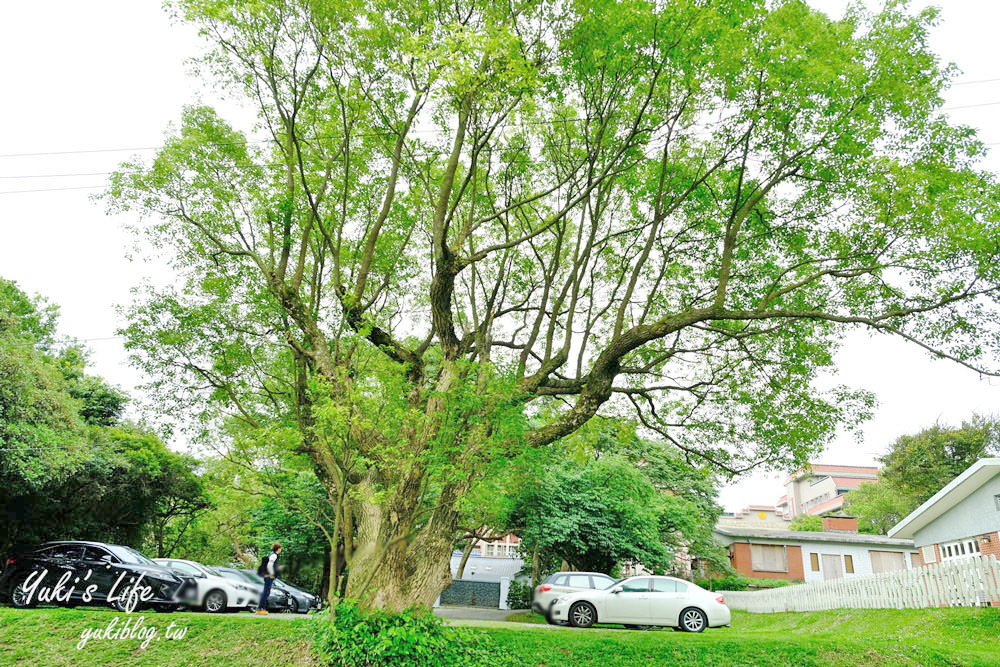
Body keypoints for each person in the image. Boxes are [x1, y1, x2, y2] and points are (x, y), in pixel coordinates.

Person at [255, 542, 282, 615]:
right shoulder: (274, 555)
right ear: (278, 549)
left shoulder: (271, 554)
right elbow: (269, 565)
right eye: (280, 548)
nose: (281, 550)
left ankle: (261, 608)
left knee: (266, 592)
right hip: (269, 576)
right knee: (266, 592)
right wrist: (271, 574)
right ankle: (260, 609)